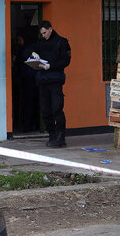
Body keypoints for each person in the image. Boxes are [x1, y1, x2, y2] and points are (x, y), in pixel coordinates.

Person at [28, 20, 71, 148]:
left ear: (50, 29)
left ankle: (60, 136)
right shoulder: (41, 42)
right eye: (42, 33)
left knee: (57, 109)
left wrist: (50, 66)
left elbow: (66, 61)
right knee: (45, 110)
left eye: (45, 33)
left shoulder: (62, 42)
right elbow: (30, 49)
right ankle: (52, 135)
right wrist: (33, 54)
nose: (44, 35)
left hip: (55, 80)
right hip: (43, 80)